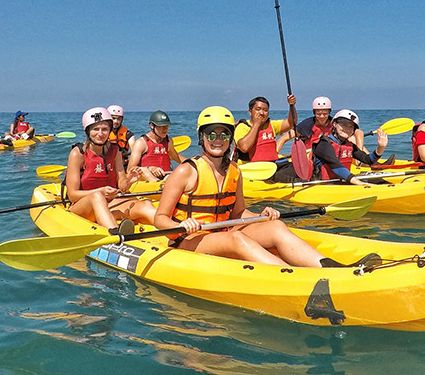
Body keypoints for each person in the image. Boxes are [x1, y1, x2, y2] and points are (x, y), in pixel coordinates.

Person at [154, 106, 379, 268]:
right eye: (211, 134)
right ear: (201, 137)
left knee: (276, 227)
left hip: (221, 231)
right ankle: (290, 276)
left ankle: (330, 267)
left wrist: (260, 216)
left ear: (230, 138)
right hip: (189, 240)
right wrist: (182, 224)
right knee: (237, 239)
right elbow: (160, 218)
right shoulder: (186, 171)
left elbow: (239, 212)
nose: (218, 139)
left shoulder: (234, 171)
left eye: (224, 134)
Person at [64, 107, 156, 232]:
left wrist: (129, 180)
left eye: (105, 129)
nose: (100, 134)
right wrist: (101, 191)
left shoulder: (115, 150)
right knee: (97, 197)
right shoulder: (78, 154)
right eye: (95, 129)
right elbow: (73, 195)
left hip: (111, 203)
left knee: (145, 205)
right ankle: (116, 234)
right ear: (88, 132)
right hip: (83, 207)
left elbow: (122, 186)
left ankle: (175, 232)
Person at [311, 109, 388, 184]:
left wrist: (381, 148)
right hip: (323, 185)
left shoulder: (349, 145)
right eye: (344, 125)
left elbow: (368, 160)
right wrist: (356, 181)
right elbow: (335, 164)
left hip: (340, 181)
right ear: (334, 124)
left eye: (351, 127)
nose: (347, 129)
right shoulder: (324, 144)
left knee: (379, 180)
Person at [234, 95, 299, 183]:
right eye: (258, 109)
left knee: (296, 167)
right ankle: (300, 185)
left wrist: (292, 106)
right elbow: (244, 147)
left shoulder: (270, 125)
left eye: (265, 110)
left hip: (271, 165)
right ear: (250, 112)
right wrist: (257, 124)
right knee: (282, 177)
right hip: (253, 169)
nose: (261, 113)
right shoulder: (243, 127)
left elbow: (290, 123)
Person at [128, 110, 188, 181]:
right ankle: (159, 185)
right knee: (143, 170)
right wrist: (150, 168)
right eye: (161, 126)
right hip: (146, 179)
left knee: (172, 176)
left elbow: (177, 157)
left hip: (165, 176)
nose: (165, 129)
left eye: (166, 126)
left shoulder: (168, 141)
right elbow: (130, 169)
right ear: (152, 126)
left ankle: (164, 185)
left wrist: (194, 163)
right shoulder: (141, 143)